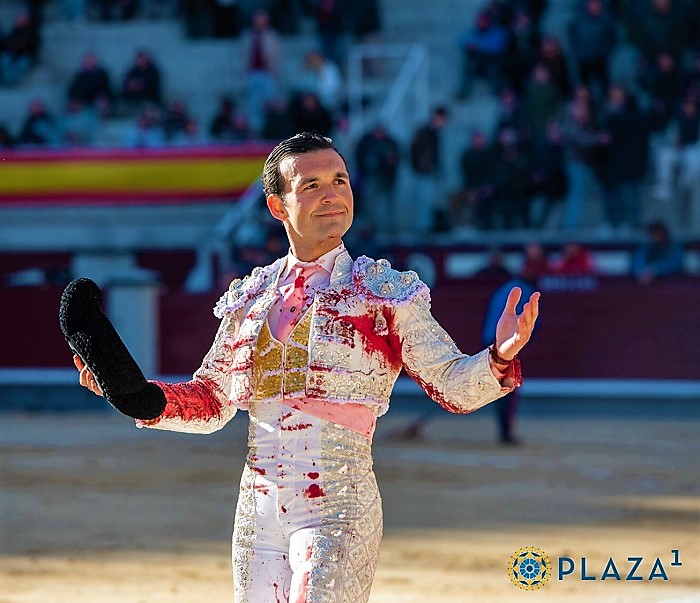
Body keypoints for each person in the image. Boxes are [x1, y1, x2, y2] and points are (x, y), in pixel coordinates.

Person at [72, 132, 541, 603]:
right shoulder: (251, 297)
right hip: (257, 509)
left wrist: (499, 355)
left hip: (338, 505)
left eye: (340, 180)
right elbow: (212, 400)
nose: (332, 194)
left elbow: (452, 385)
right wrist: (137, 395)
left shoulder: (383, 293)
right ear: (278, 206)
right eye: (312, 185)